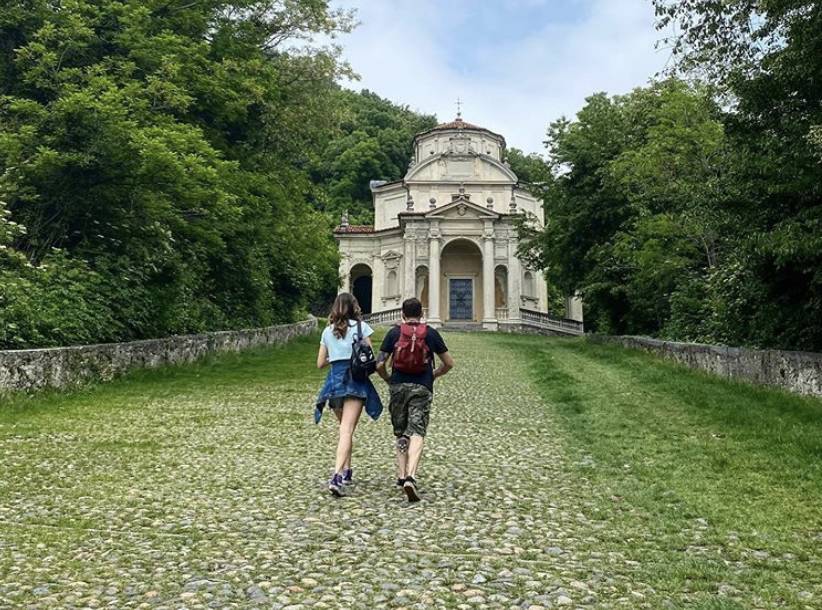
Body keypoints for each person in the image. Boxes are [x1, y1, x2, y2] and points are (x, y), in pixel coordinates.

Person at [376, 297, 454, 502]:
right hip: (422, 387)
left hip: (398, 386)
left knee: (401, 432)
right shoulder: (430, 333)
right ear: (422, 314)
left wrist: (388, 379)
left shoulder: (394, 333)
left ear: (402, 313)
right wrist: (433, 374)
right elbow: (449, 363)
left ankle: (401, 475)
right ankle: (411, 475)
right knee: (418, 430)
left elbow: (379, 363)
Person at [315, 293, 383, 497]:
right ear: (353, 307)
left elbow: (319, 363)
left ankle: (347, 470)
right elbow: (369, 355)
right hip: (355, 381)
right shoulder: (361, 328)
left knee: (345, 428)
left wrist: (335, 356)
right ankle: (336, 475)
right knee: (347, 429)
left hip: (334, 382)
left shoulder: (327, 331)